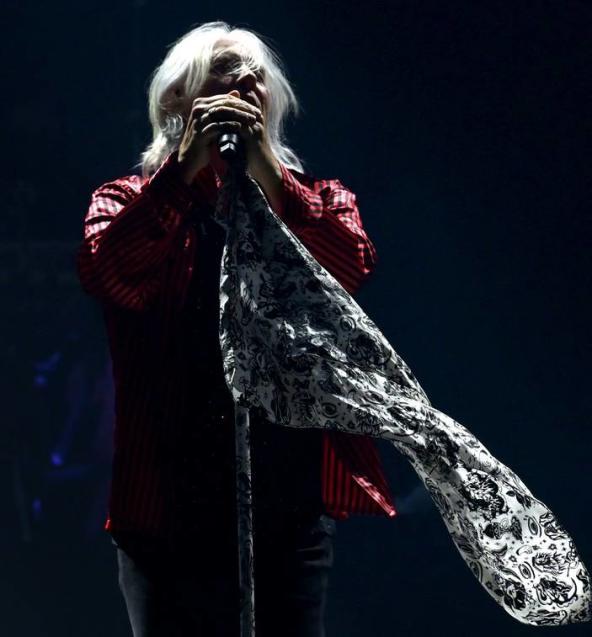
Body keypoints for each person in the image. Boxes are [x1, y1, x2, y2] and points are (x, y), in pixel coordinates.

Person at [76, 21, 397, 636]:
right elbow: (109, 269)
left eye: (256, 76)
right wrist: (188, 164)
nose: (246, 82)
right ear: (178, 99)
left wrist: (269, 177)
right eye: (226, 70)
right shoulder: (125, 199)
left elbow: (347, 266)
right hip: (166, 515)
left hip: (287, 510)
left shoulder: (317, 197)